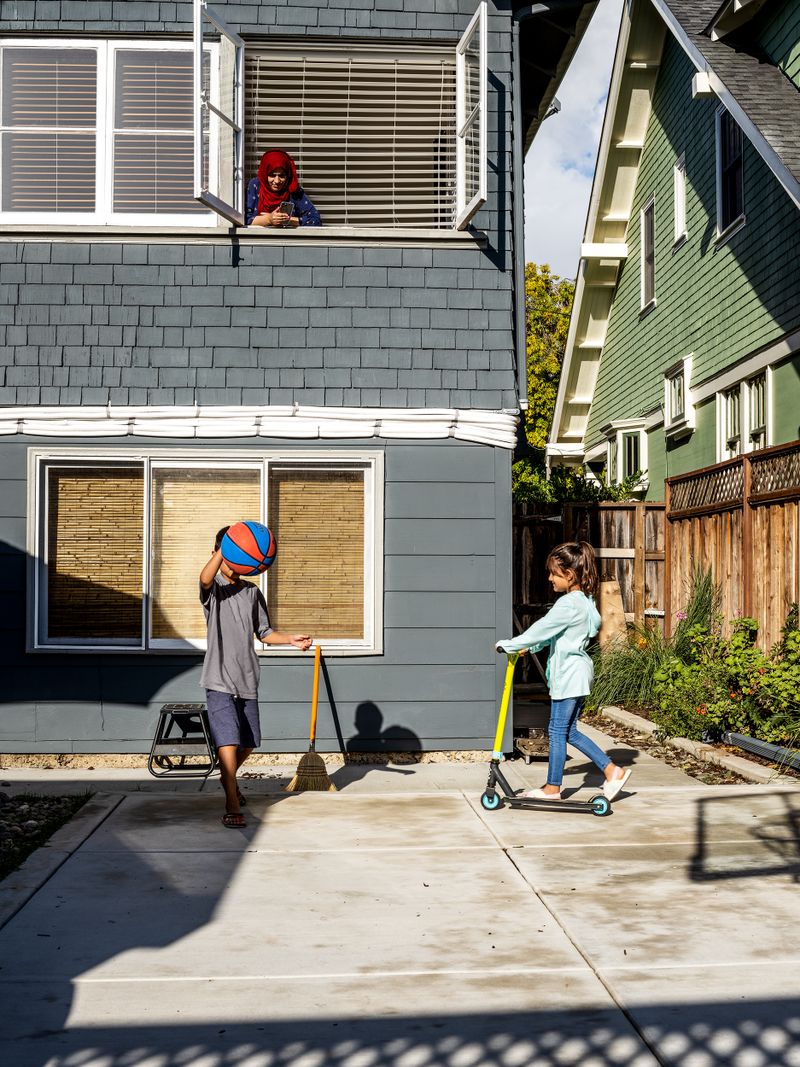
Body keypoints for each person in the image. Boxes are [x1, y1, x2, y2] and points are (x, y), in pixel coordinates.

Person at [495, 541, 632, 802]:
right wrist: (530, 647)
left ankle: (553, 788)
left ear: (569, 575)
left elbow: (543, 628)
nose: (549, 578)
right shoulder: (584, 602)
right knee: (568, 731)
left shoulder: (568, 605)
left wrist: (510, 645)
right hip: (579, 674)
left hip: (569, 675)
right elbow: (556, 636)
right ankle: (612, 770)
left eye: (553, 573)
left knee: (557, 731)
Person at [200, 526, 312, 828]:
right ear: (218, 553)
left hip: (247, 678)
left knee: (248, 743)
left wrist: (290, 639)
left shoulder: (251, 592)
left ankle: (228, 778)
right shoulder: (215, 590)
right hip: (218, 678)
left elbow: (264, 633)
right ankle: (232, 802)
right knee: (227, 741)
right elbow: (204, 578)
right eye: (224, 552)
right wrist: (228, 546)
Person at [245, 148, 321, 228]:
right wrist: (269, 219)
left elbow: (316, 220)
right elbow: (243, 219)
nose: (277, 181)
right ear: (265, 174)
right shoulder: (256, 186)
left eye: (281, 176)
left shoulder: (292, 189)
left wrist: (287, 220)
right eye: (272, 175)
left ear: (287, 175)